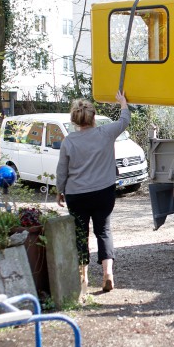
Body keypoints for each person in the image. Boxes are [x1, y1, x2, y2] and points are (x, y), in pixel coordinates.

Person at [56, 91, 129, 293]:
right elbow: (124, 120)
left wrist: (59, 190)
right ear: (93, 116)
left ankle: (83, 280)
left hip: (76, 195)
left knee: (80, 234)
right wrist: (122, 102)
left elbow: (62, 171)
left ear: (74, 120)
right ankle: (108, 274)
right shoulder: (105, 133)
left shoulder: (69, 141)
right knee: (103, 230)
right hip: (103, 193)